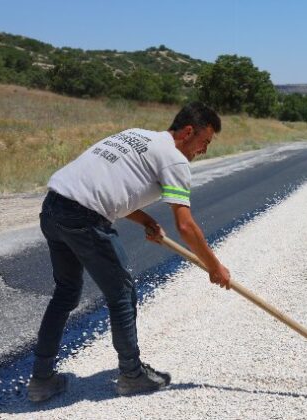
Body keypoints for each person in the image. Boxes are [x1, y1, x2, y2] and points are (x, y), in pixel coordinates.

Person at [27, 102, 232, 402]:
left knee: (66, 292)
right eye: (205, 142)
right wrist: (214, 266)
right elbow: (185, 226)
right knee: (121, 294)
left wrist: (146, 219)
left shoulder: (137, 135)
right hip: (85, 219)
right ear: (189, 132)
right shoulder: (175, 160)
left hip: (53, 207)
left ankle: (41, 381)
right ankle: (132, 375)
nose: (204, 150)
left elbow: (110, 186)